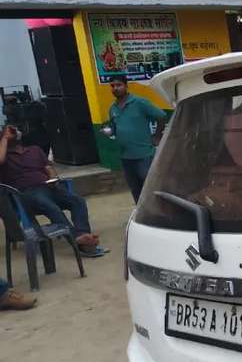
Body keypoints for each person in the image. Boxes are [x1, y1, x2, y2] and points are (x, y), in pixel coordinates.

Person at [0, 124, 102, 255]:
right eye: (8, 133)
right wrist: (5, 138)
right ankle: (77, 239)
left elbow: (48, 168)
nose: (13, 134)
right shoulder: (5, 156)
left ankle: (83, 234)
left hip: (49, 187)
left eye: (13, 132)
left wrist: (53, 178)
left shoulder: (35, 150)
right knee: (50, 206)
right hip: (28, 193)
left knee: (78, 201)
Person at [106, 76, 167, 203]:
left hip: (143, 155)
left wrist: (156, 136)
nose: (115, 88)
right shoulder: (113, 108)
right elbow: (114, 128)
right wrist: (109, 131)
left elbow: (161, 116)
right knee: (135, 189)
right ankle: (141, 215)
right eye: (112, 86)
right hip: (125, 157)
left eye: (118, 85)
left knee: (150, 187)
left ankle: (158, 213)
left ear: (126, 86)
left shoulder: (140, 102)